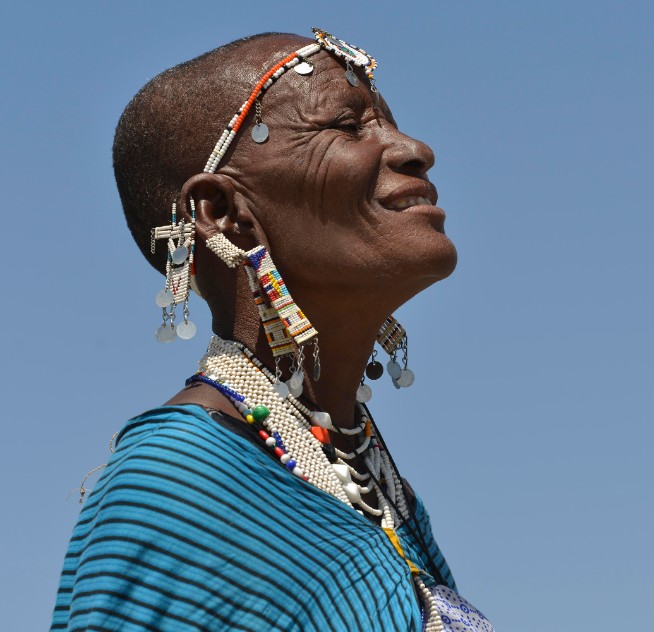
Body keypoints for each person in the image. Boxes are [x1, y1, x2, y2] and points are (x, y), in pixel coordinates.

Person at [52, 29, 492, 632]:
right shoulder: (180, 484)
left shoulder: (375, 487)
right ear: (222, 215)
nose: (415, 149)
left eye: (389, 122)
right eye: (346, 124)